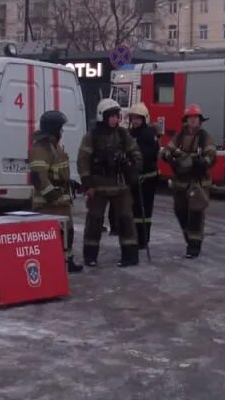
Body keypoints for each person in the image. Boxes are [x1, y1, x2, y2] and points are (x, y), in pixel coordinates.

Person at [77, 98, 142, 268]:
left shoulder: (122, 134)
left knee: (126, 219)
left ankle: (130, 255)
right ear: (103, 116)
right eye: (112, 116)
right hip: (98, 186)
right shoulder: (92, 136)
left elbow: (135, 153)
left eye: (117, 116)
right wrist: (87, 184)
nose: (115, 119)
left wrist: (132, 168)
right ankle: (90, 256)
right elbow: (83, 160)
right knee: (94, 220)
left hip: (120, 185)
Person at [161, 104, 216, 258]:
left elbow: (211, 155)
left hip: (198, 182)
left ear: (200, 121)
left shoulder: (205, 137)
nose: (193, 122)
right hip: (180, 183)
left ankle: (194, 246)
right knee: (180, 211)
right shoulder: (179, 137)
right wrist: (169, 157)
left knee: (196, 214)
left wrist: (202, 162)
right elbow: (167, 150)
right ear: (185, 121)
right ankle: (189, 237)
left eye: (195, 119)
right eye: (190, 119)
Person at [29, 109, 80, 274]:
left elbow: (59, 172)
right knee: (51, 236)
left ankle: (67, 261)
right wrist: (53, 196)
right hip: (48, 205)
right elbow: (39, 178)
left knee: (68, 232)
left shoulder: (55, 146)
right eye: (60, 129)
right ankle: (53, 264)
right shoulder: (40, 149)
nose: (62, 132)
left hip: (62, 203)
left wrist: (72, 184)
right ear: (53, 129)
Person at [127, 103, 159, 251]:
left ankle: (144, 239)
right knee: (135, 210)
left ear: (144, 119)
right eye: (133, 118)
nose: (135, 121)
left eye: (138, 118)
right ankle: (136, 237)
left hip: (147, 178)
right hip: (134, 178)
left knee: (145, 211)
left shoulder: (148, 134)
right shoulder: (130, 133)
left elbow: (148, 155)